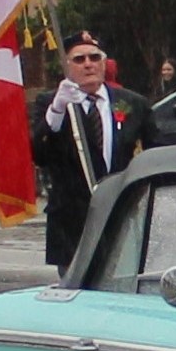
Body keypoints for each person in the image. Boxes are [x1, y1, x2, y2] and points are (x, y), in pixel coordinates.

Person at [32, 30, 156, 273]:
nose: (88, 64)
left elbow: (155, 150)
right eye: (79, 59)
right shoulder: (51, 103)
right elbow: (39, 153)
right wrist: (57, 111)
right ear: (67, 66)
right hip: (72, 222)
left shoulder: (132, 103)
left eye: (94, 57)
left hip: (121, 215)